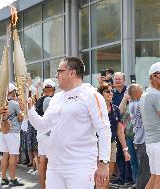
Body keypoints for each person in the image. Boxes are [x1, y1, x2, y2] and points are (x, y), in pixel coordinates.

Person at [20, 57, 111, 189]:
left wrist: (103, 163)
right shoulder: (57, 97)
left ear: (72, 73)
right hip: (55, 166)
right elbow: (43, 126)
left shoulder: (91, 95)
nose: (56, 75)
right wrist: (29, 109)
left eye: (59, 71)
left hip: (80, 166)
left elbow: (103, 130)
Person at [97, 83, 131, 189]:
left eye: (111, 91)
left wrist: (125, 149)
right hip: (96, 145)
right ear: (101, 94)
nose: (111, 93)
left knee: (108, 175)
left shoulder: (115, 109)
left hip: (111, 144)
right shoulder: (95, 109)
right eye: (107, 91)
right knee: (97, 176)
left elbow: (120, 130)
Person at [140, 62, 160, 189]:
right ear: (154, 76)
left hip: (152, 143)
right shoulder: (156, 95)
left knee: (154, 177)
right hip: (159, 142)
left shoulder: (146, 93)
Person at [0, 83, 24, 187]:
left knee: (5, 155)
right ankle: (13, 179)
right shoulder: (14, 103)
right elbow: (20, 118)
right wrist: (22, 112)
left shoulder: (1, 103)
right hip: (13, 131)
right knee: (13, 155)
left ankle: (4, 178)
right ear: (12, 92)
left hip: (3, 131)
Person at [128, 84, 150, 189]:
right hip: (142, 142)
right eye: (141, 89)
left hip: (141, 141)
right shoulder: (137, 104)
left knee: (147, 170)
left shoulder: (134, 103)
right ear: (136, 93)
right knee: (144, 171)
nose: (143, 90)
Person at [35, 79, 56, 189]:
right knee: (51, 162)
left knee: (43, 161)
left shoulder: (40, 100)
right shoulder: (49, 100)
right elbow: (51, 118)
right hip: (48, 133)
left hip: (41, 133)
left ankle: (43, 186)